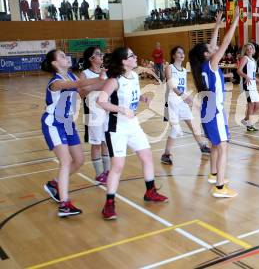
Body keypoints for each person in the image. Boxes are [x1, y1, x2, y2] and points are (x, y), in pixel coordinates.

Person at [97, 47, 168, 220]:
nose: (136, 57)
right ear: (123, 61)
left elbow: (131, 96)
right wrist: (121, 109)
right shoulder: (114, 80)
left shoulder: (135, 76)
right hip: (116, 128)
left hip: (133, 125)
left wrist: (143, 99)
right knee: (118, 167)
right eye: (131, 56)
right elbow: (101, 101)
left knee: (147, 156)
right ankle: (109, 204)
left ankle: (150, 191)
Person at [41, 49, 105, 217]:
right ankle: (64, 204)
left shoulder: (71, 76)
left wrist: (107, 81)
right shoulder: (55, 82)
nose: (66, 57)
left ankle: (54, 184)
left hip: (68, 123)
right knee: (66, 161)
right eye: (62, 56)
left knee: (79, 160)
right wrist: (97, 78)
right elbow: (78, 85)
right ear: (55, 63)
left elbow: (83, 91)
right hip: (54, 124)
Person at [188, 7, 239, 198]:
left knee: (215, 145)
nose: (213, 47)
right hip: (214, 111)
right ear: (207, 55)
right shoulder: (212, 63)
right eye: (210, 49)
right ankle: (219, 188)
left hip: (207, 110)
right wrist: (234, 22)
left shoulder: (202, 65)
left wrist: (217, 24)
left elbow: (214, 42)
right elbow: (225, 42)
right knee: (223, 146)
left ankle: (214, 175)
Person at [160, 45, 211, 165]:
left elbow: (183, 87)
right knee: (175, 129)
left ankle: (202, 146)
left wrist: (187, 97)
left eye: (183, 53)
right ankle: (166, 154)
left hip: (181, 100)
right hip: (172, 100)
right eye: (178, 53)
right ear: (173, 55)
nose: (182, 54)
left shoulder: (184, 70)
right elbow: (172, 86)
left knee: (193, 124)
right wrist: (185, 97)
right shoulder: (169, 68)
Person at [79, 47, 110, 184]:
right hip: (92, 113)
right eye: (98, 54)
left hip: (107, 112)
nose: (101, 55)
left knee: (106, 143)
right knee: (96, 143)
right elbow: (81, 93)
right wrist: (97, 84)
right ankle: (99, 174)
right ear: (91, 59)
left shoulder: (107, 72)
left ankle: (107, 171)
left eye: (101, 53)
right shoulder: (84, 74)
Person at [238, 43, 259, 132]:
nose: (249, 50)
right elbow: (239, 70)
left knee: (258, 106)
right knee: (251, 105)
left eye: (251, 48)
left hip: (253, 85)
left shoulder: (253, 60)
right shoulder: (245, 58)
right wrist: (246, 76)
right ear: (245, 50)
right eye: (247, 49)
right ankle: (249, 124)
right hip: (247, 84)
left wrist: (258, 80)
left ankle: (246, 120)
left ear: (253, 50)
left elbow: (252, 74)